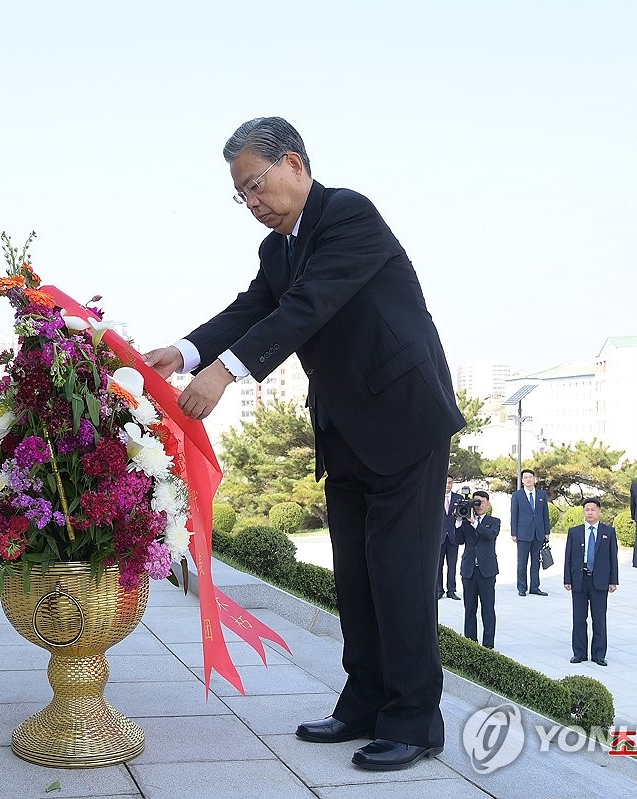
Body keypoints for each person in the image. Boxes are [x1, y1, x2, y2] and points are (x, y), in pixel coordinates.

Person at [144, 117, 464, 772]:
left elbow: (306, 308)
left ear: (293, 164)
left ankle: (414, 719)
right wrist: (182, 351)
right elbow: (254, 308)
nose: (253, 204)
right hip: (345, 426)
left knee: (399, 573)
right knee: (355, 573)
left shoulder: (348, 216)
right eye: (242, 196)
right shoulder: (278, 251)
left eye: (256, 186)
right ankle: (365, 700)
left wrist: (226, 371)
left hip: (403, 421)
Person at [563, 499, 619, 665]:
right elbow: (568, 557)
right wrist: (567, 579)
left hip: (600, 580)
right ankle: (579, 653)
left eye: (593, 510)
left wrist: (613, 581)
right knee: (579, 618)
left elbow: (612, 558)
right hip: (579, 579)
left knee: (599, 618)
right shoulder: (575, 532)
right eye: (587, 510)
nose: (589, 512)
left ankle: (599, 654)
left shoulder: (608, 532)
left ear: (599, 511)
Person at [454, 490, 499, 649]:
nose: (478, 506)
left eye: (481, 502)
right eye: (475, 502)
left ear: (487, 504)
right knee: (469, 609)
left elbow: (490, 536)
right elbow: (457, 540)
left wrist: (474, 522)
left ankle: (488, 644)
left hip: (487, 571)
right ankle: (470, 643)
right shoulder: (466, 521)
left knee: (487, 609)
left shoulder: (494, 521)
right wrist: (459, 521)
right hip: (469, 571)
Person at [509, 469, 550, 596]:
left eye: (530, 477)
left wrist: (547, 532)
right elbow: (514, 515)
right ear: (522, 480)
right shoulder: (517, 495)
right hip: (523, 533)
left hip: (538, 533)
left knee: (536, 561)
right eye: (525, 477)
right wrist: (514, 533)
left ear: (534, 479)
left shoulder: (542, 495)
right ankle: (522, 587)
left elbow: (545, 514)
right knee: (522, 562)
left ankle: (534, 587)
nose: (528, 479)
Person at [438, 476, 460, 600]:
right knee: (438, 566)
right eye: (446, 483)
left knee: (452, 565)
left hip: (453, 537)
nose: (448, 485)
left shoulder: (458, 498)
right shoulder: (436, 497)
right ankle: (439, 590)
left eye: (450, 483)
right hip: (439, 538)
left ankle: (451, 590)